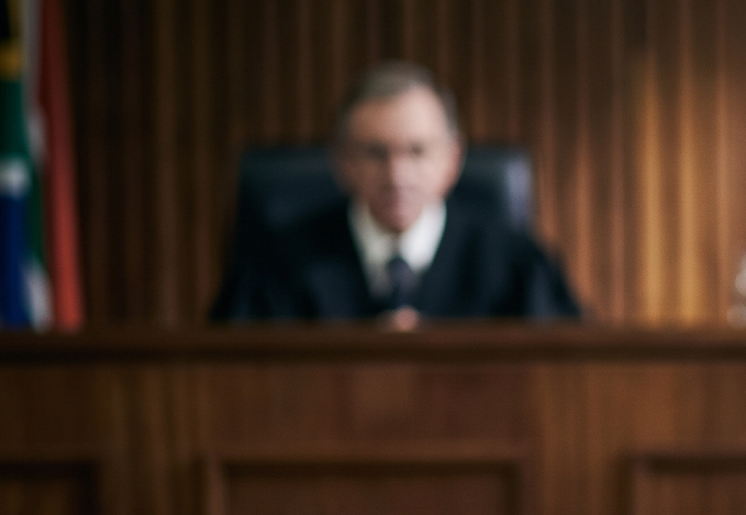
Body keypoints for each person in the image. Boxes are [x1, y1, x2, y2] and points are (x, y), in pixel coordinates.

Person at [210, 61, 579, 324]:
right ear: (341, 161)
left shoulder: (516, 264)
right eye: (375, 153)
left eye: (417, 151)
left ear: (453, 159)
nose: (397, 175)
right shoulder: (277, 266)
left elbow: (561, 380)